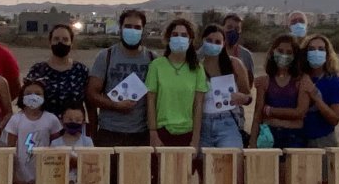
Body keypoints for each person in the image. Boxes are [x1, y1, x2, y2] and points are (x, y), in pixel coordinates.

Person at [86, 9, 155, 146]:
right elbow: (91, 94)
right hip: (109, 132)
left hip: (140, 134)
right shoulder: (106, 56)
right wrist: (115, 105)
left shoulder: (152, 58)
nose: (132, 31)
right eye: (128, 26)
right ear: (121, 28)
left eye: (137, 27)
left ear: (143, 30)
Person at [299, 33, 339, 184]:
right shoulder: (299, 77)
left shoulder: (333, 82)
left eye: (320, 49)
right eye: (311, 49)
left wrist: (316, 97)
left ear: (327, 54)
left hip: (322, 139)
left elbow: (335, 118)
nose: (316, 53)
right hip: (298, 138)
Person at [146, 19, 208, 148]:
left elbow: (198, 105)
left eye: (184, 35)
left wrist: (195, 139)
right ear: (168, 39)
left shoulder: (197, 69)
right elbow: (151, 101)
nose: (179, 38)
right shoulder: (156, 66)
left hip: (187, 134)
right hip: (162, 132)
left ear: (190, 40)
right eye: (175, 34)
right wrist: (153, 134)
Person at [4, 80, 63, 184]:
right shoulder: (16, 120)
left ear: (44, 97)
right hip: (21, 176)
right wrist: (14, 178)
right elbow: (10, 150)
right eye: (28, 93)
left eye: (38, 93)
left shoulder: (51, 119)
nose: (33, 96)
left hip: (44, 174)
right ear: (22, 97)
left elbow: (56, 147)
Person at [249, 34, 311, 150]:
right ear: (273, 52)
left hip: (294, 137)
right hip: (268, 136)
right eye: (280, 51)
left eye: (289, 52)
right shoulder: (265, 81)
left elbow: (300, 113)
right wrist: (252, 143)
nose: (284, 55)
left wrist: (269, 110)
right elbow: (257, 115)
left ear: (295, 56)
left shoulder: (302, 80)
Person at [198, 24, 252, 149]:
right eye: (209, 40)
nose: (213, 44)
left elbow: (248, 96)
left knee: (230, 159)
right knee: (204, 161)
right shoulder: (197, 67)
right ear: (203, 40)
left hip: (228, 123)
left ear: (223, 44)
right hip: (203, 124)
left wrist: (243, 98)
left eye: (218, 42)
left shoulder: (234, 64)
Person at [26, 24, 91, 118]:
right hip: (44, 125)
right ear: (50, 43)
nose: (60, 43)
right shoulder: (37, 70)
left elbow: (89, 103)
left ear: (71, 43)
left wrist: (92, 125)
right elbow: (27, 102)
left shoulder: (81, 71)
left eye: (65, 39)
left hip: (73, 125)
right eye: (56, 39)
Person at [221, 13, 257, 79]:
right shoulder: (211, 51)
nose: (233, 31)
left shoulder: (246, 55)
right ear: (222, 28)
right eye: (229, 27)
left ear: (240, 31)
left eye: (237, 29)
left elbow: (250, 80)